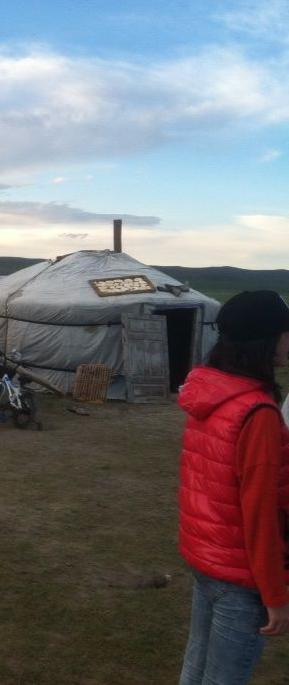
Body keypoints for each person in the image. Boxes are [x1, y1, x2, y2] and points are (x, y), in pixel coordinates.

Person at [178, 290, 289, 684]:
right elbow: (260, 514)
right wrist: (275, 596)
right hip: (240, 574)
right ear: (265, 339)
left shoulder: (211, 393)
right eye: (285, 331)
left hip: (206, 556)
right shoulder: (257, 412)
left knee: (195, 669)